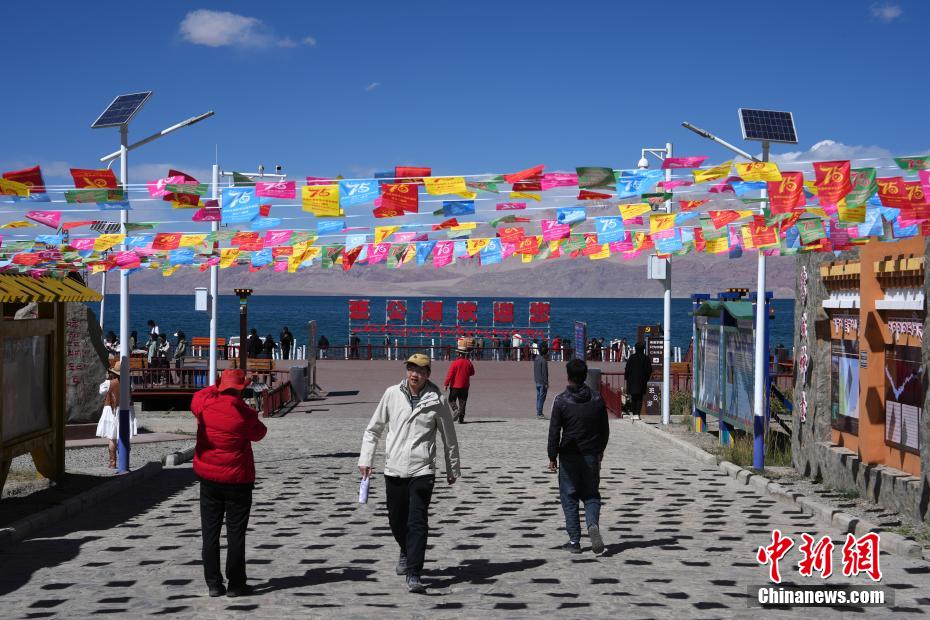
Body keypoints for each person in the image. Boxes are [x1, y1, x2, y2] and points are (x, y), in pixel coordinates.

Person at [358, 353, 460, 594]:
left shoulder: (437, 399)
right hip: (394, 468)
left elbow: (449, 436)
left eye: (420, 370)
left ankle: (414, 572)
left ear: (428, 374)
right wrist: (366, 459)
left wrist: (452, 468)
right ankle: (405, 549)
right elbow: (373, 429)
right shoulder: (392, 394)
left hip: (422, 469)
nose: (415, 374)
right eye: (411, 369)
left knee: (417, 521)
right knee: (396, 520)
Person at [192, 368, 268, 598]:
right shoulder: (245, 414)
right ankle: (236, 584)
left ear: (220, 385)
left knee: (210, 533)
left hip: (209, 479)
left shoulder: (204, 405)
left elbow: (197, 396)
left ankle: (214, 583)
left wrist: (216, 386)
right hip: (237, 480)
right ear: (241, 388)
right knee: (236, 534)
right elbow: (260, 433)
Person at [548, 358, 609, 555]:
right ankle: (592, 525)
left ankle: (574, 540)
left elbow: (554, 431)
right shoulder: (597, 399)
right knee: (591, 495)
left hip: (568, 455)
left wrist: (552, 456)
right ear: (585, 376)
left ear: (568, 377)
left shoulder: (561, 400)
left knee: (569, 496)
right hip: (591, 454)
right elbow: (604, 429)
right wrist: (600, 450)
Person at [95, 359, 137, 468]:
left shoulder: (109, 383)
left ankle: (112, 462)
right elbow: (133, 389)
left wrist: (108, 378)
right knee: (124, 436)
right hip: (126, 410)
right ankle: (125, 461)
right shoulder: (129, 382)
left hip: (111, 410)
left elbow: (101, 391)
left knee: (112, 437)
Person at [444, 347, 475, 424]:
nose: (456, 354)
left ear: (459, 354)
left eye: (457, 353)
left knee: (451, 399)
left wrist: (446, 384)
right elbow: (472, 373)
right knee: (463, 402)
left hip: (455, 385)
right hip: (465, 386)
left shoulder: (454, 363)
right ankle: (461, 418)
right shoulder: (468, 362)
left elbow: (450, 375)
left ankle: (455, 410)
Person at [624, 342, 652, 419]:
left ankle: (634, 413)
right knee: (640, 397)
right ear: (643, 349)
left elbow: (627, 369)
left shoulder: (632, 357)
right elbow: (649, 370)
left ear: (635, 349)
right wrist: (646, 378)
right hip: (642, 381)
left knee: (633, 397)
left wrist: (626, 378)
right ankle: (637, 414)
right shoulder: (645, 358)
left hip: (631, 381)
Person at [534, 343, 549, 419]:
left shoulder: (536, 359)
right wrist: (546, 383)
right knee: (542, 398)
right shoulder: (543, 361)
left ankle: (538, 412)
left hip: (537, 380)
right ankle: (539, 413)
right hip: (542, 382)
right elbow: (544, 373)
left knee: (538, 397)